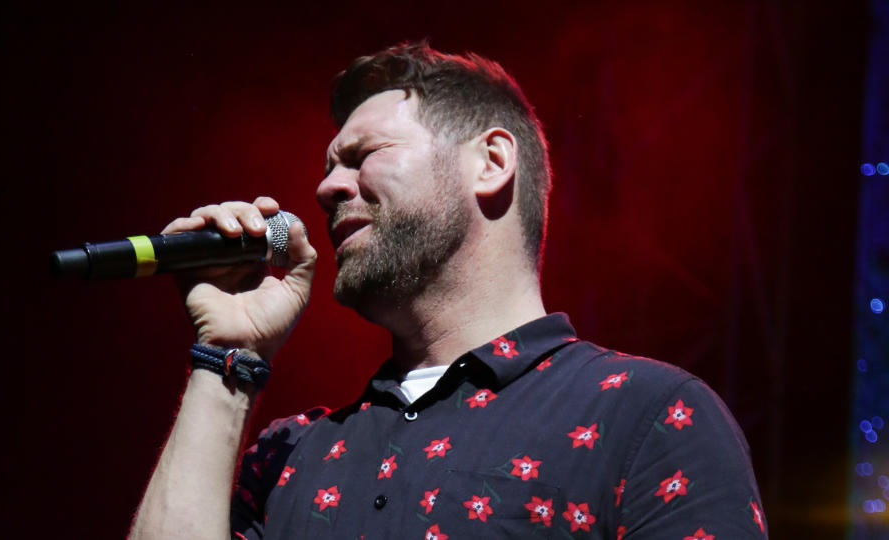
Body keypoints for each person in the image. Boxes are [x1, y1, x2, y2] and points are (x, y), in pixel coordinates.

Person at [129, 42, 766, 539]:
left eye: (363, 154)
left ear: (491, 163)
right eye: (327, 169)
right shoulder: (293, 453)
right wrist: (226, 357)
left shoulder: (643, 416)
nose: (326, 188)